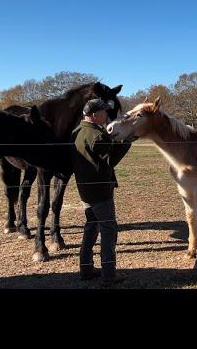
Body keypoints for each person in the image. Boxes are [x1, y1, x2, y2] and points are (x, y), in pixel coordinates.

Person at [70, 98, 135, 287]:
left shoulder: (77, 132)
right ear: (95, 115)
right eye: (104, 112)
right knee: (109, 230)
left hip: (85, 189)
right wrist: (128, 140)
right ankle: (108, 274)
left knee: (91, 227)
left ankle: (86, 268)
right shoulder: (97, 136)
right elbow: (111, 159)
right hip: (100, 191)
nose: (107, 115)